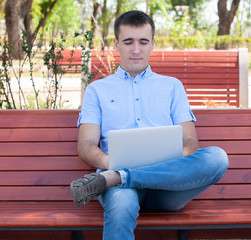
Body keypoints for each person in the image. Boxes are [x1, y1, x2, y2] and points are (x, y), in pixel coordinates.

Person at [70, 10, 229, 240]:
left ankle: (119, 176)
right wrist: (109, 164)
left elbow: (190, 142)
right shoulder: (97, 90)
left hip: (167, 188)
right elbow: (85, 145)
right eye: (128, 42)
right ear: (116, 44)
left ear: (153, 44)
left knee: (217, 157)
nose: (136, 50)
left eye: (143, 42)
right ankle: (121, 177)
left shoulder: (172, 87)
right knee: (122, 203)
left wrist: (171, 163)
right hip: (120, 190)